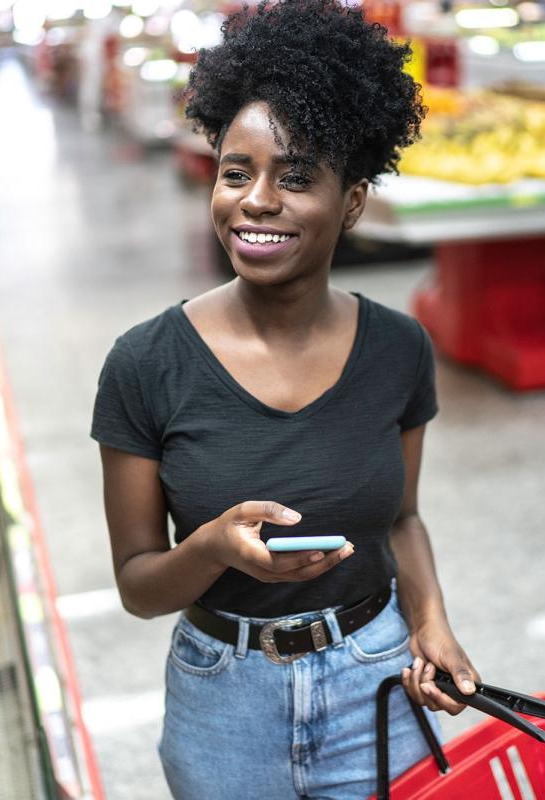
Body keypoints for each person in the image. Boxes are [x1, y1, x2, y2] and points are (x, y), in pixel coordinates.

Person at [91, 2, 480, 797]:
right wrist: (212, 551)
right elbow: (137, 584)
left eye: (296, 177)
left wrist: (430, 617)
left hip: (375, 684)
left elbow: (401, 517)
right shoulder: (146, 363)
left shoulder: (398, 349)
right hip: (223, 699)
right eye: (238, 173)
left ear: (355, 199)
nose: (256, 201)